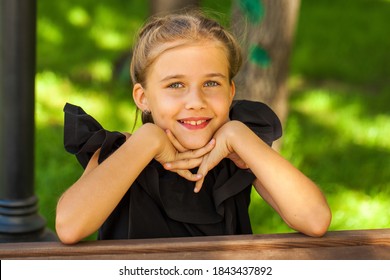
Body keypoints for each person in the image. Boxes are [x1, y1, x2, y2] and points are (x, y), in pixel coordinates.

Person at [56, 11, 331, 244]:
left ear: (231, 91)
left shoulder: (237, 156)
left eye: (211, 84)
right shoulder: (119, 153)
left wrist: (239, 136)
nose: (196, 102)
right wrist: (147, 140)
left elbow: (315, 219)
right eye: (176, 85)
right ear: (143, 98)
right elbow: (69, 227)